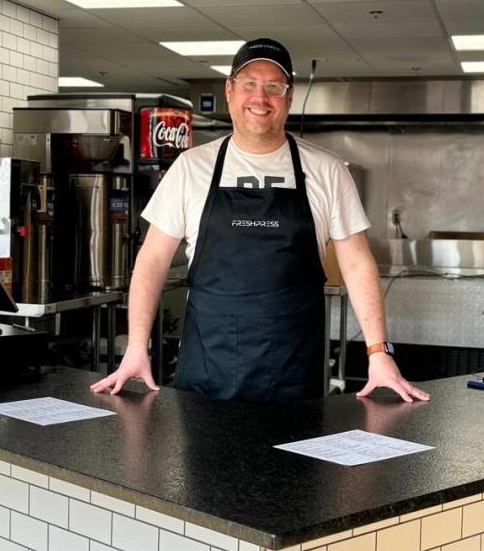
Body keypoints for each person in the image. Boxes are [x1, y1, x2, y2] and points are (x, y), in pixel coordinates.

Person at [91, 38, 429, 405]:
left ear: (289, 97)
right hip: (206, 372)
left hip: (294, 373)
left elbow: (357, 262)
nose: (260, 97)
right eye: (250, 84)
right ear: (230, 90)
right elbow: (152, 260)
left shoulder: (326, 169)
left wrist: (378, 352)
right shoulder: (191, 167)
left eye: (274, 87)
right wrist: (137, 347)